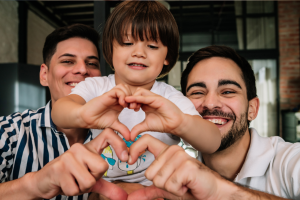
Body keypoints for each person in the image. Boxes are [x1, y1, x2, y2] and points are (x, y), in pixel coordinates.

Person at [52, 0, 220, 189]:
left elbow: (212, 142)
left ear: (167, 57)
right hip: (103, 189)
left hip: (158, 190)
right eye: (127, 42)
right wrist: (82, 114)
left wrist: (181, 122)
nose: (139, 52)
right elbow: (59, 112)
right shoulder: (96, 87)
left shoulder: (170, 98)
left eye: (152, 46)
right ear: (111, 48)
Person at [127, 45, 300, 199]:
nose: (210, 103)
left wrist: (218, 190)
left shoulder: (289, 161)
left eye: (227, 91)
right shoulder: (171, 175)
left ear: (252, 109)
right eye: (197, 92)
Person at [0, 24, 129, 200]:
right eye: (68, 61)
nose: (83, 70)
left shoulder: (122, 136)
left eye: (92, 63)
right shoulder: (9, 131)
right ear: (44, 75)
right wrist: (35, 183)